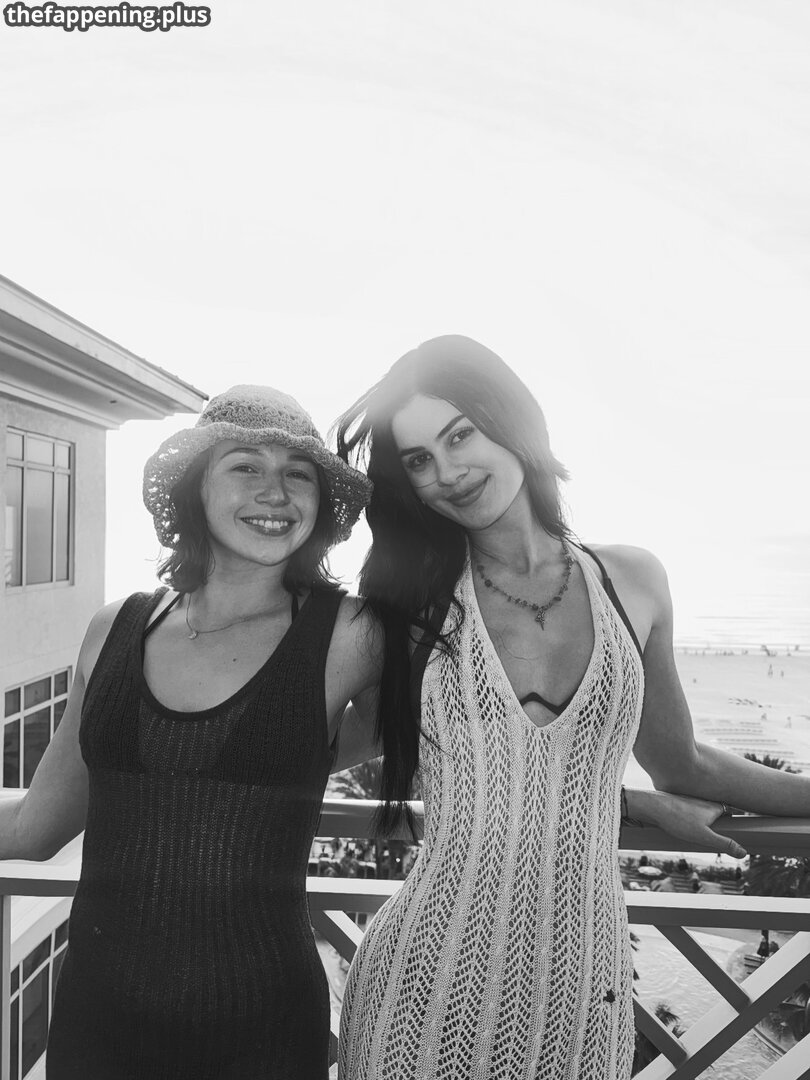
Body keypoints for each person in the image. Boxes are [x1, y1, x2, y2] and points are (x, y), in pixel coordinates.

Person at [332, 335, 810, 1080]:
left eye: (460, 435)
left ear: (513, 422)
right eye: (419, 460)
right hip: (421, 982)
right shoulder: (405, 609)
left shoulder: (633, 581)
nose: (448, 473)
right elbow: (308, 753)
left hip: (583, 993)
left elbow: (681, 763)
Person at [0, 386, 379, 1079]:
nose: (275, 492)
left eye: (298, 474)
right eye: (245, 466)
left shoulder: (350, 635)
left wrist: (298, 752)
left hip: (262, 1037)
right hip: (96, 1033)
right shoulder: (113, 629)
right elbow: (34, 829)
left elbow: (420, 727)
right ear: (195, 485)